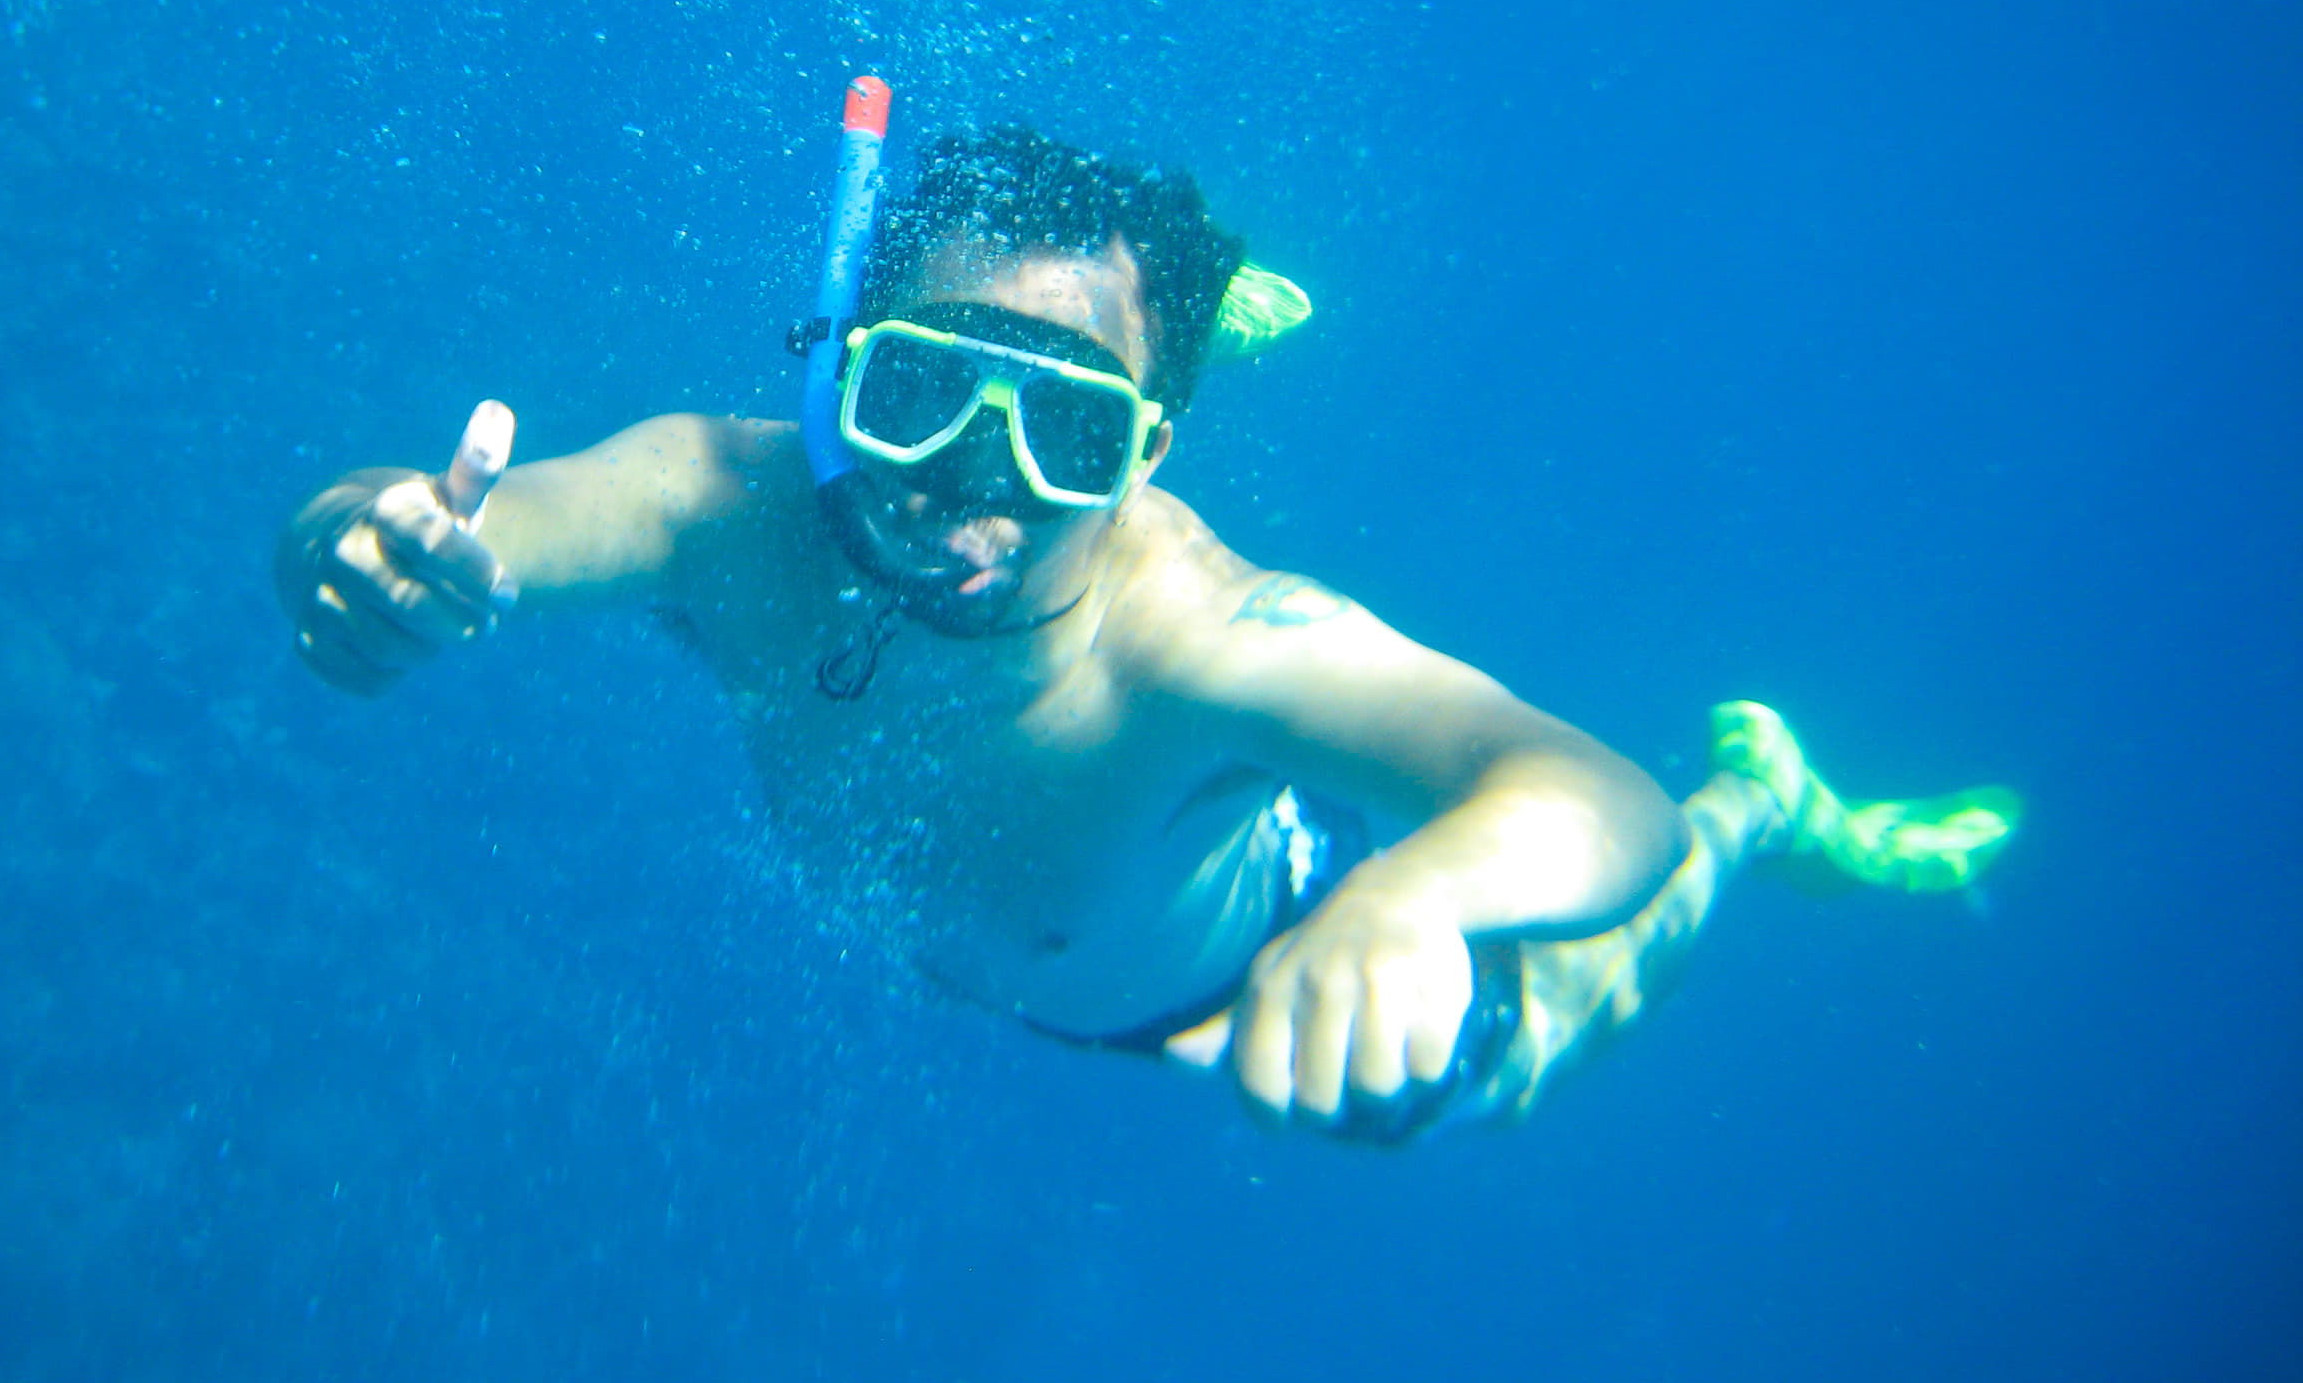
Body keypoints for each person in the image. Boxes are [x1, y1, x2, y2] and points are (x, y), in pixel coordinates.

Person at [277, 120, 2017, 1139]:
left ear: (1147, 462)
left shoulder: (1209, 641)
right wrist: (364, 548)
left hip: (1256, 975)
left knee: (1533, 1044)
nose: (973, 488)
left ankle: (1774, 811)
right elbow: (455, 515)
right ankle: (1161, 324)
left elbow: (1596, 804)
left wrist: (1412, 899)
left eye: (1073, 434)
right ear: (832, 378)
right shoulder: (725, 511)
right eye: (923, 390)